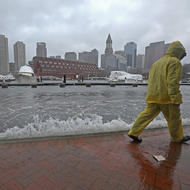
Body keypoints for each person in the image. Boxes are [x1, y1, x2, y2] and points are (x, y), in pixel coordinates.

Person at [128, 41, 190, 143]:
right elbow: (173, 82)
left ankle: (133, 132)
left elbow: (152, 80)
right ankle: (177, 138)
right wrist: (175, 98)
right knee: (174, 118)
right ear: (179, 52)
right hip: (167, 98)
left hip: (153, 95)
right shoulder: (175, 62)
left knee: (146, 115)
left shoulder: (157, 63)